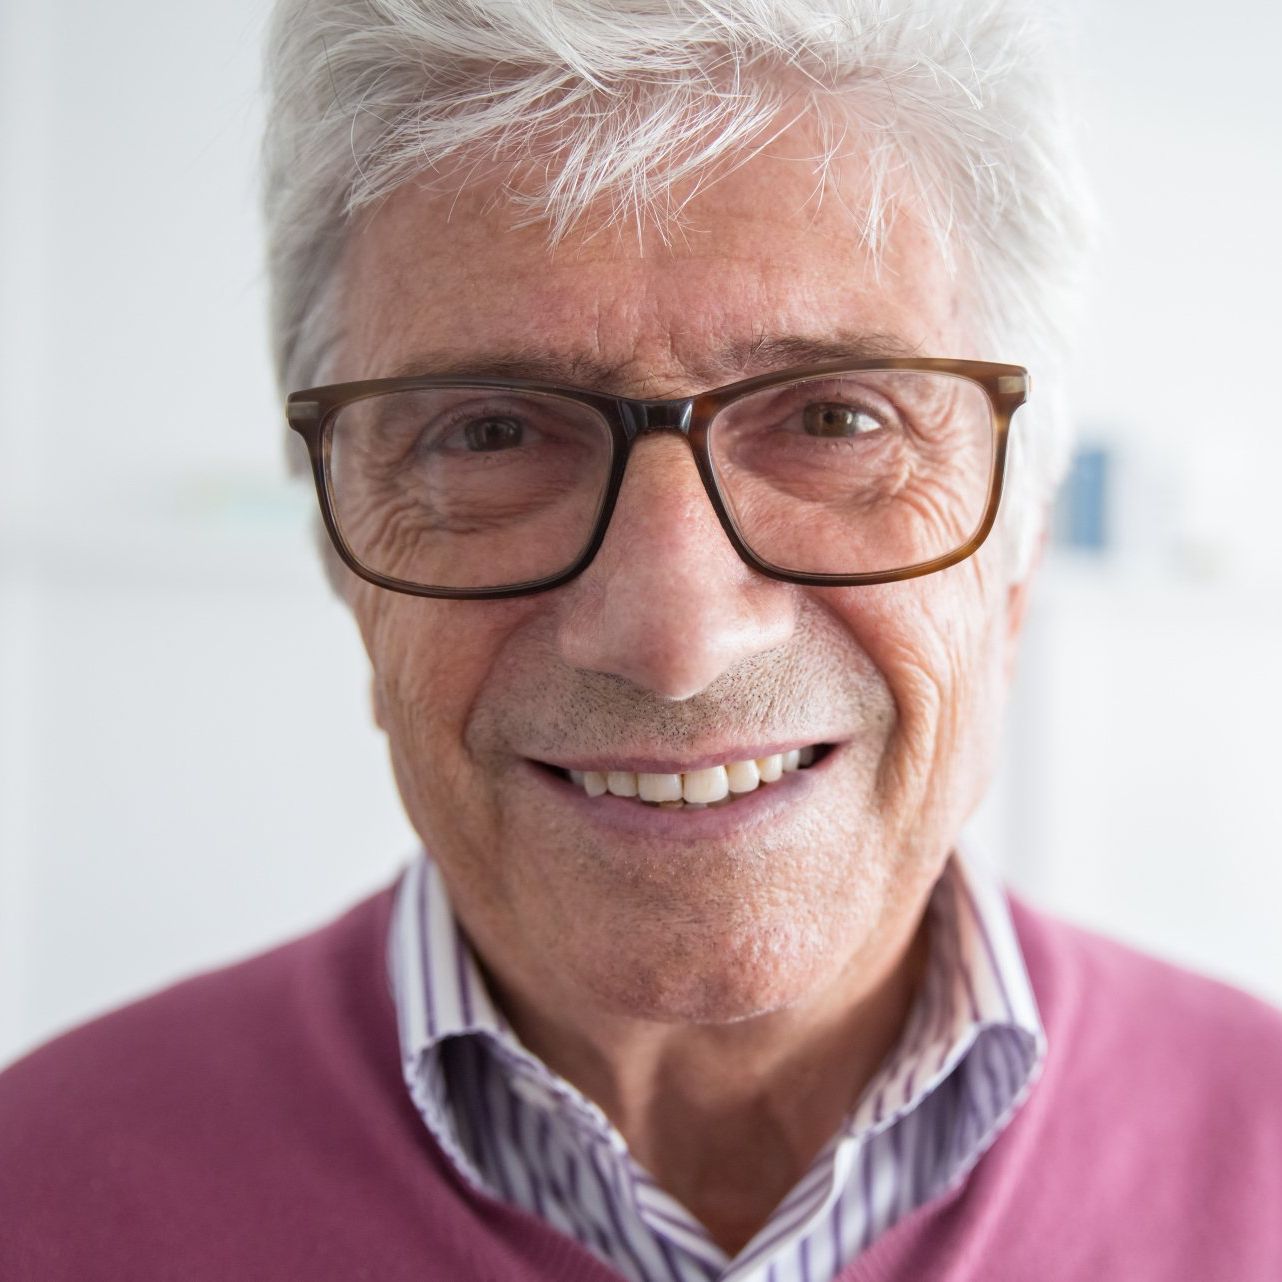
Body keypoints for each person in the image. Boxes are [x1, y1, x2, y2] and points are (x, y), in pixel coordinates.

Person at [3, 2, 1280, 1279]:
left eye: (835, 419)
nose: (675, 637)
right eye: (492, 433)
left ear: (1023, 543)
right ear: (345, 567)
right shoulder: (39, 1192)